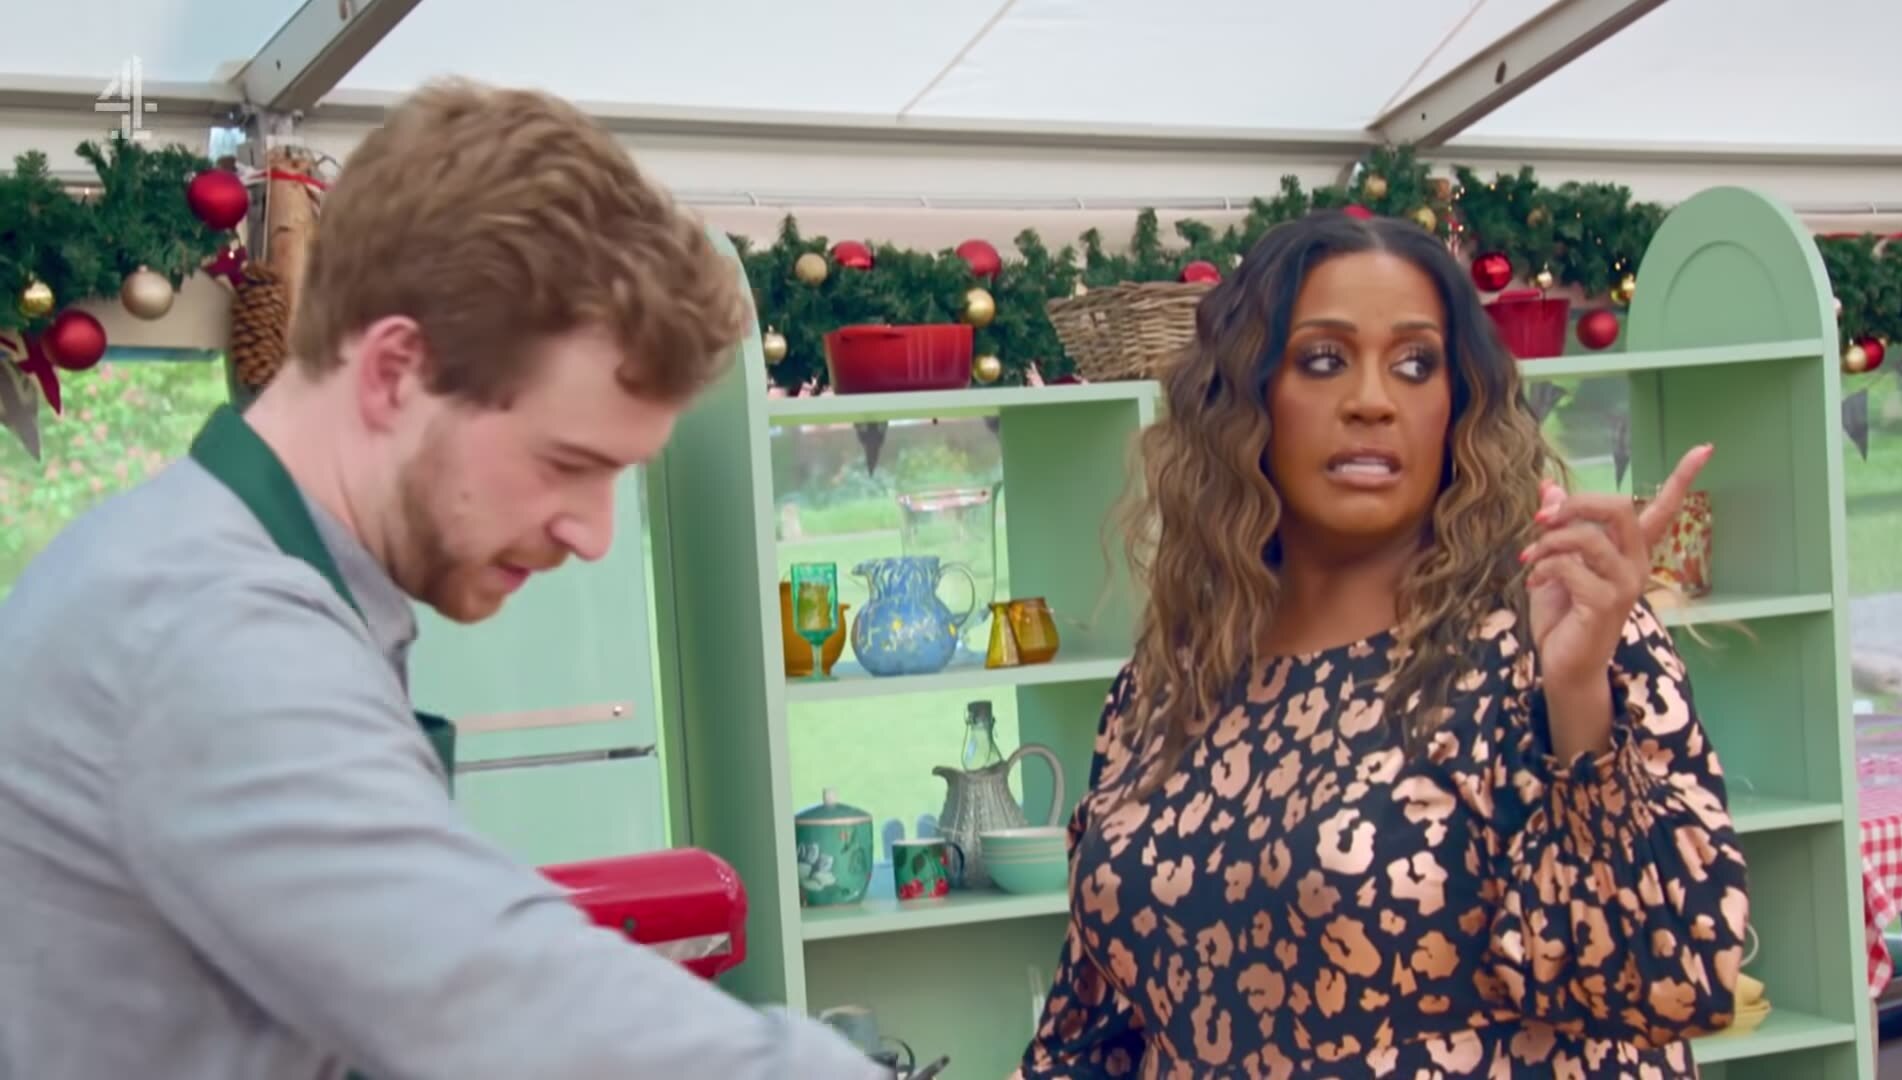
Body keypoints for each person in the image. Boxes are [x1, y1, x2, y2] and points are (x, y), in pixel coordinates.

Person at [0, 80, 886, 1080]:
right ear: (394, 373)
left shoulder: (223, 571)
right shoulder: (211, 629)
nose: (595, 534)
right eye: (567, 462)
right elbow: (500, 1006)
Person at [1016, 211, 1746, 1077]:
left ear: (1457, 404)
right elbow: (1092, 1033)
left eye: (1415, 364)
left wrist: (1578, 696)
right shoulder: (1168, 682)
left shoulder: (1553, 633)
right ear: (1246, 397)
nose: (1372, 399)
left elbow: (1668, 982)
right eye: (1324, 360)